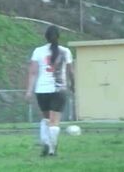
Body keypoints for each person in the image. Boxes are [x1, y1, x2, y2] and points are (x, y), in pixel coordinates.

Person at [26, 26, 74, 156]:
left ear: (45, 37)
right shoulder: (66, 51)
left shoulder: (38, 51)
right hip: (59, 89)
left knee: (46, 119)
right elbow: (71, 72)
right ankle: (52, 149)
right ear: (58, 37)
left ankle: (45, 142)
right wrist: (73, 86)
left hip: (42, 90)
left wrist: (29, 91)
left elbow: (33, 72)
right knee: (55, 121)